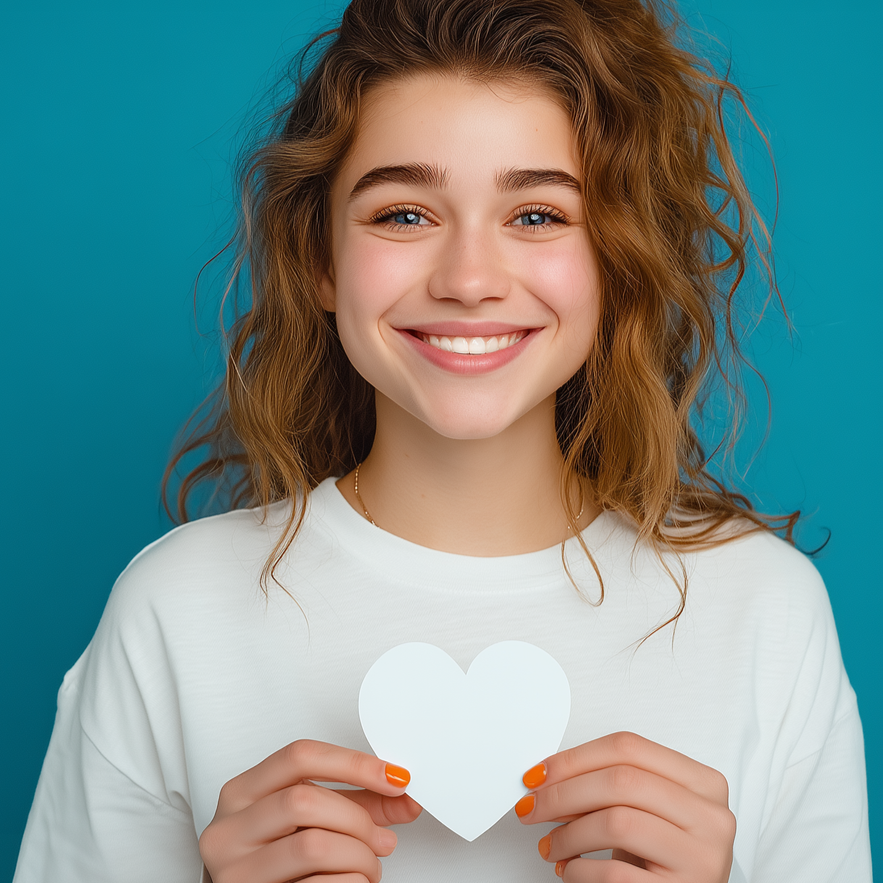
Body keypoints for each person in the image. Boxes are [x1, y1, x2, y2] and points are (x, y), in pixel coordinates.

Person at [13, 0, 872, 880]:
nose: (467, 280)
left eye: (536, 215)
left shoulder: (764, 612)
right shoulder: (174, 611)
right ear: (319, 257)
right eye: (403, 215)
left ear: (616, 259)